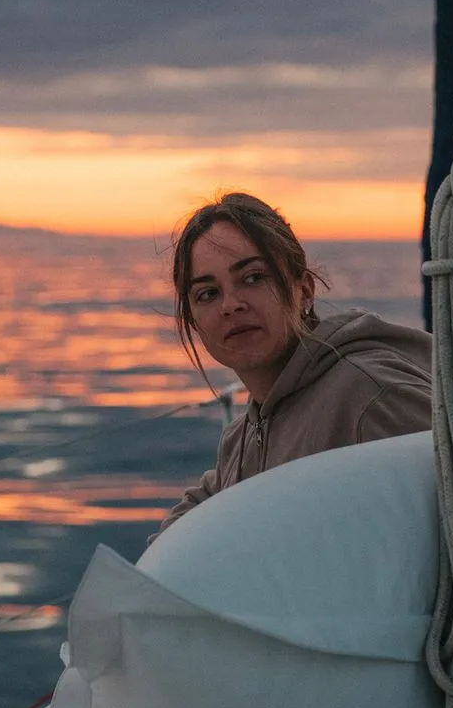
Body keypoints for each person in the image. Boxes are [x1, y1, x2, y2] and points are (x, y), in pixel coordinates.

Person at [150, 191, 432, 541]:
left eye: (253, 277)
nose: (231, 305)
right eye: (207, 293)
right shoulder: (244, 438)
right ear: (194, 322)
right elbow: (199, 514)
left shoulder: (368, 397)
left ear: (304, 291)